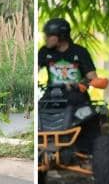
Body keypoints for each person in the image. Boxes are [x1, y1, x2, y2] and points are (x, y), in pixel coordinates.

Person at [38, 18, 103, 147]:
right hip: (51, 96)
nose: (46, 39)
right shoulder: (44, 52)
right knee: (38, 111)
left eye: (49, 36)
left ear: (61, 37)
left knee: (90, 116)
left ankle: (88, 152)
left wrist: (81, 83)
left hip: (76, 96)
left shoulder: (80, 52)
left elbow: (93, 77)